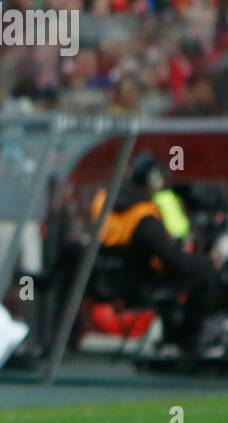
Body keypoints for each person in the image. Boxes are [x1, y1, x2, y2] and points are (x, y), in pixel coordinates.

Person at [89, 153, 218, 362]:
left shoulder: (103, 201)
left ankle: (172, 341)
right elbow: (175, 262)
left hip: (106, 277)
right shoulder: (143, 216)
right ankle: (186, 344)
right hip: (138, 283)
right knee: (205, 275)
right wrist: (208, 262)